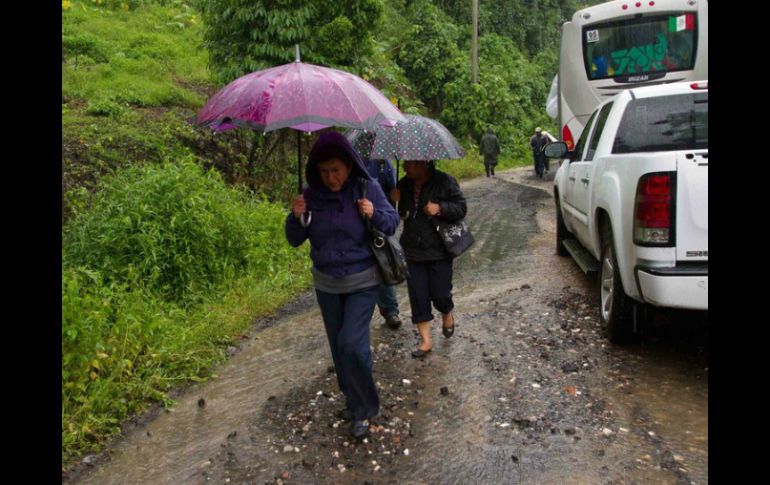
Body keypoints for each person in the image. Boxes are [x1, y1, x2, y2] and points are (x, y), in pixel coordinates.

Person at [285, 132, 399, 439]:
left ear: (349, 165)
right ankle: (352, 400)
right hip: (327, 285)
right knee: (338, 349)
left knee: (352, 343)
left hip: (362, 280)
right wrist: (297, 218)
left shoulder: (367, 188)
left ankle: (365, 409)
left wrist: (374, 213)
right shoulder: (310, 196)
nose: (331, 177)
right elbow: (294, 239)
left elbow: (391, 222)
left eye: (336, 169)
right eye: (324, 171)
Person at [392, 160, 467, 358]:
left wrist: (440, 208)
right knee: (418, 295)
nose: (406, 166)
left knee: (441, 293)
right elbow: (399, 216)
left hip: (439, 249)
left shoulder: (445, 181)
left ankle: (447, 312)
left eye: (411, 162)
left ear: (424, 162)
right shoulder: (403, 184)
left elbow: (461, 208)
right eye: (405, 162)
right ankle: (425, 340)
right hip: (412, 249)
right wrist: (394, 201)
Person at [363, 158, 402, 330]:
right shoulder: (349, 163)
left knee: (383, 263)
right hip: (358, 223)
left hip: (379, 222)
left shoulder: (383, 163)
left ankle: (390, 311)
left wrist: (394, 203)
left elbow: (392, 191)